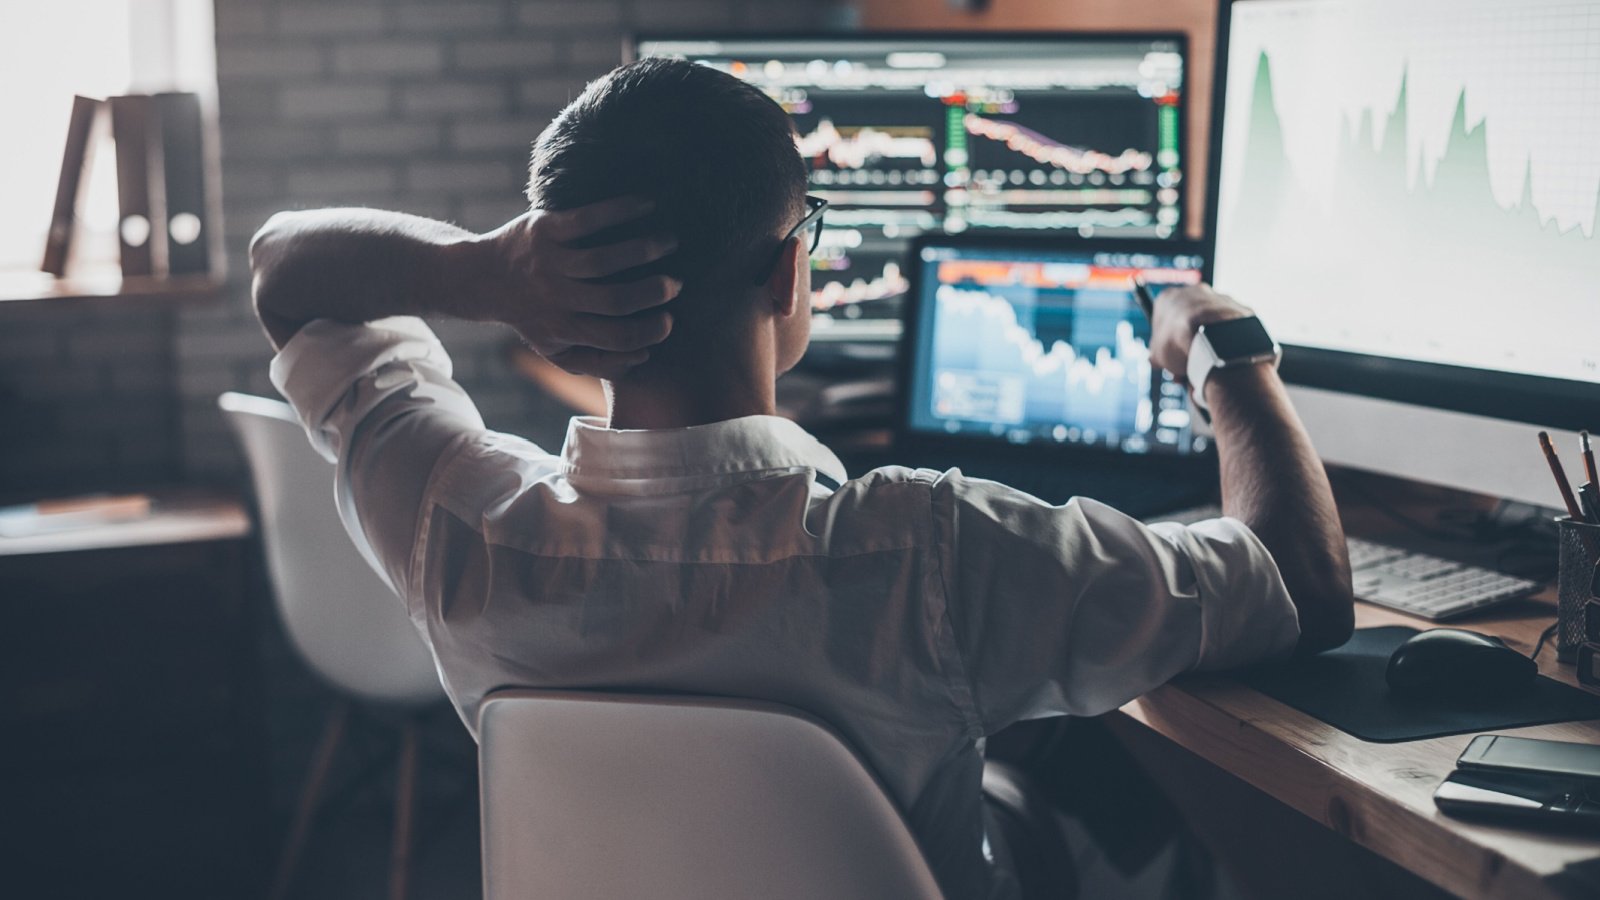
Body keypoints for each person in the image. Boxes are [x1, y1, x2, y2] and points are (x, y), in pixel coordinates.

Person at [252, 57, 1353, 900]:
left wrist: (478, 273)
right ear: (790, 270)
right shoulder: (929, 549)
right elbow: (1300, 586)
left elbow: (285, 274)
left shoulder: (461, 527)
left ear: (551, 307)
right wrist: (1227, 352)